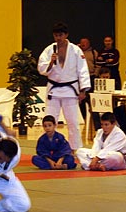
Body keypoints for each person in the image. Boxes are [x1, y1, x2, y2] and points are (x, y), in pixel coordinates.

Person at [37, 22, 91, 151]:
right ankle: (48, 147)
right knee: (49, 121)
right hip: (54, 90)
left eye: (60, 35)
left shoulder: (75, 50)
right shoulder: (49, 49)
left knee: (73, 122)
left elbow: (82, 70)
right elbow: (41, 69)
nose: (58, 38)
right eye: (56, 35)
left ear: (66, 35)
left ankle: (74, 148)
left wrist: (83, 90)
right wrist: (51, 62)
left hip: (70, 90)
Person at [78, 37, 99, 123]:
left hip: (91, 77)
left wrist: (96, 74)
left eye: (85, 42)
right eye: (81, 42)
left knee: (91, 100)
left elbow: (98, 65)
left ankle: (95, 122)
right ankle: (82, 119)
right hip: (80, 78)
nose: (83, 44)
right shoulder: (77, 52)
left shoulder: (94, 53)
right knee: (81, 100)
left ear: (88, 43)